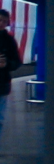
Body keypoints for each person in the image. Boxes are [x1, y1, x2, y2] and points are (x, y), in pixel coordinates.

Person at [0, 10, 23, 139]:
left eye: (4, 21)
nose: (2, 23)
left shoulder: (9, 40)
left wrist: (6, 64)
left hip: (2, 84)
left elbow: (17, 62)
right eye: (0, 20)